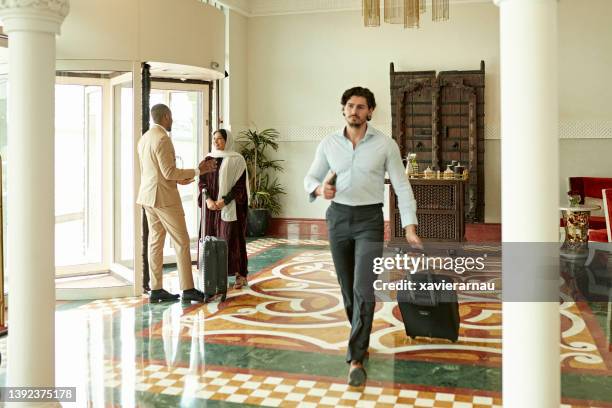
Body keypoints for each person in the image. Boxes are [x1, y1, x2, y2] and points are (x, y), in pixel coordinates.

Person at [304, 86, 422, 387]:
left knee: (363, 287)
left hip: (369, 220)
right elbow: (311, 177)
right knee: (347, 288)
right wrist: (320, 190)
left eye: (361, 107)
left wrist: (409, 227)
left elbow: (402, 187)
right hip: (338, 219)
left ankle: (355, 358)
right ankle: (361, 337)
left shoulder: (385, 145)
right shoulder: (329, 144)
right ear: (343, 109)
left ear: (370, 111)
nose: (354, 111)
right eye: (350, 106)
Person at [137, 103, 216, 303]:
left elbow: (158, 172)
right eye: (170, 117)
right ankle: (188, 288)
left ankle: (156, 290)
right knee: (181, 242)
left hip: (148, 197)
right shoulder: (163, 139)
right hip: (164, 199)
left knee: (155, 243)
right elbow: (169, 173)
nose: (172, 121)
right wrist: (200, 171)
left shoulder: (145, 138)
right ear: (165, 117)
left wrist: (180, 178)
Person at [198, 129, 249, 289]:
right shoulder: (208, 159)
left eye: (219, 139)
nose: (216, 142)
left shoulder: (237, 159)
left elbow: (240, 187)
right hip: (211, 209)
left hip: (229, 207)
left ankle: (240, 275)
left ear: (227, 140)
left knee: (231, 240)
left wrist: (223, 201)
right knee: (210, 241)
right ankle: (212, 276)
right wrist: (207, 199)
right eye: (214, 139)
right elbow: (202, 182)